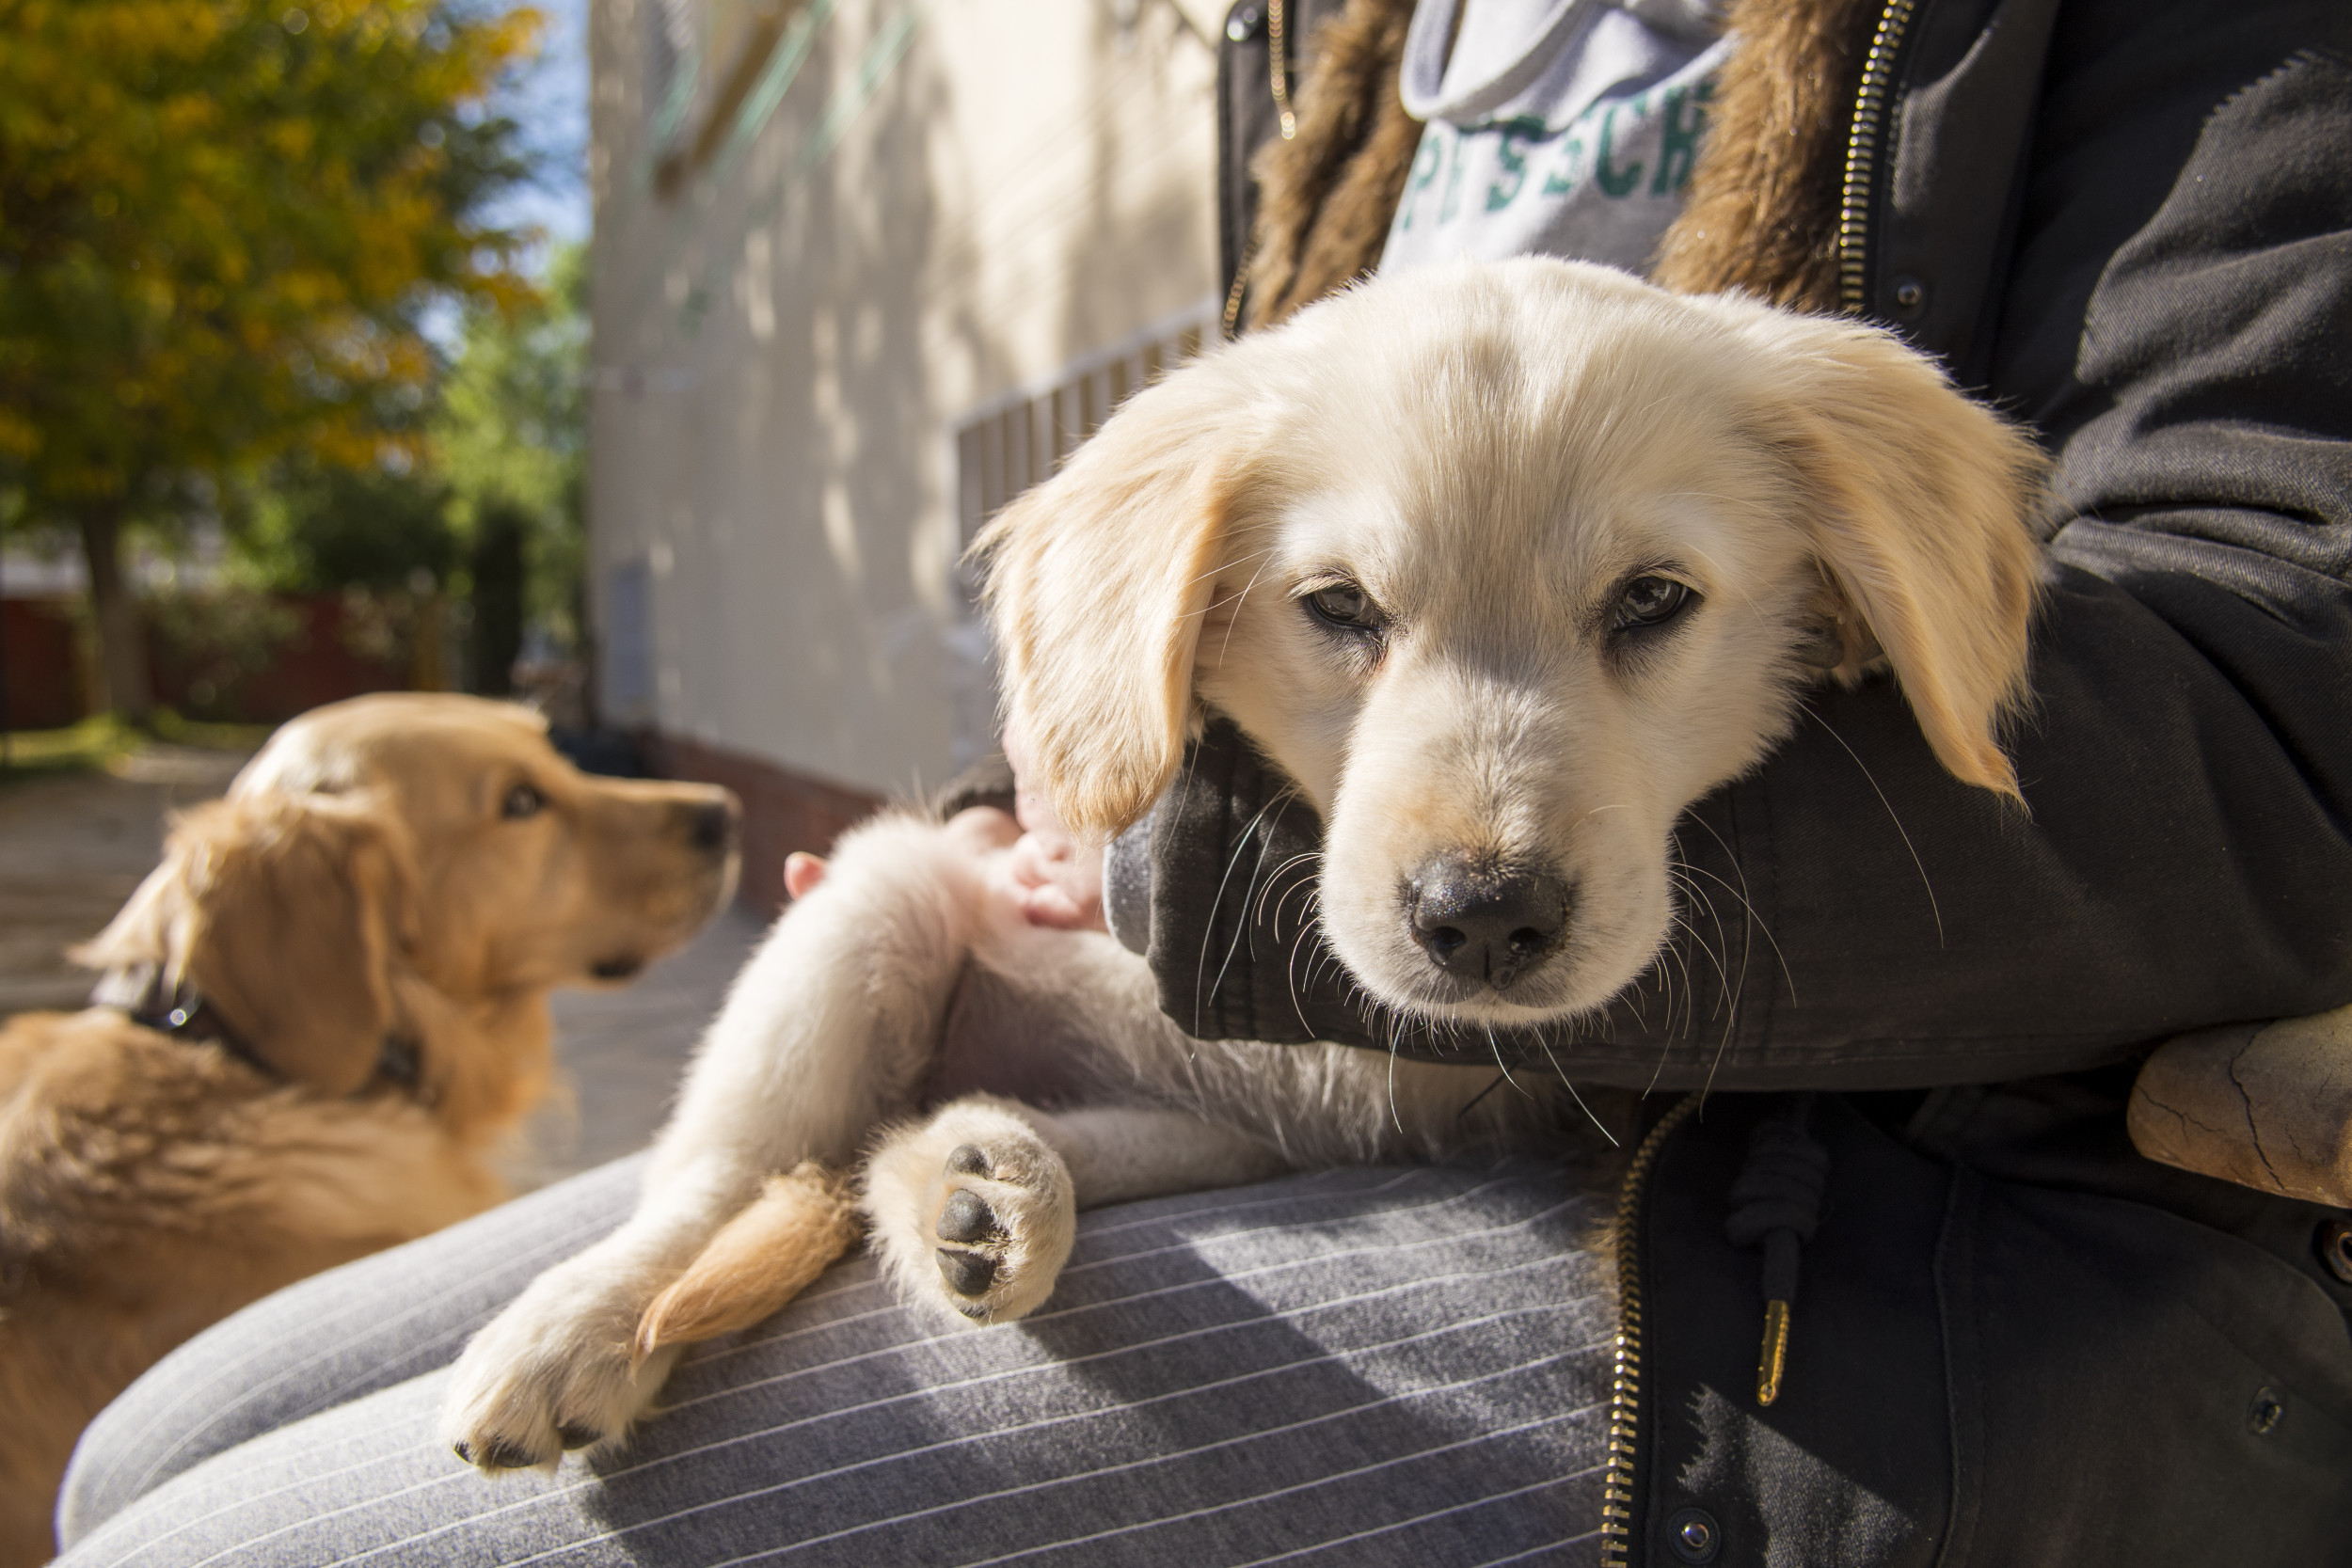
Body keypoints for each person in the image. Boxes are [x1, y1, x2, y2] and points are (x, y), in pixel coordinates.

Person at [51, 0, 2352, 1562]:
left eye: (1651, 605)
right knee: (141, 1436)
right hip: (1192, 1041)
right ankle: (757, 1207)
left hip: (1837, 1246)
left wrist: (1183, 879)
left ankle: (996, 1166)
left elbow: (2273, 713)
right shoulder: (1357, 45)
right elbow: (1169, 604)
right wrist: (1023, 802)